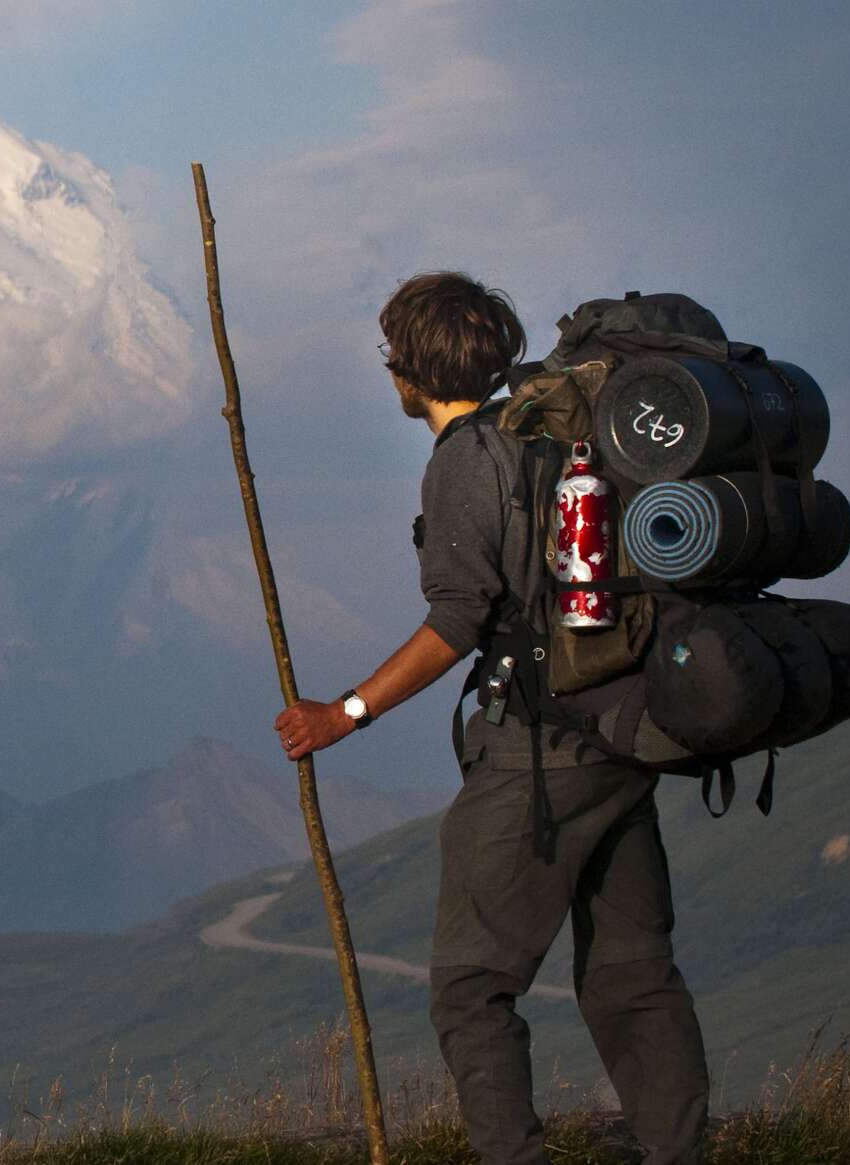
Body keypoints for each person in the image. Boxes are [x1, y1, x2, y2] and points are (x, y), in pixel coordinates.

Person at [270, 271, 710, 1164]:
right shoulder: (559, 430)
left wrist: (344, 713)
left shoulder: (468, 459)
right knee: (633, 973)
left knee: (471, 987)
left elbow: (457, 621)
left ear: (408, 372)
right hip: (623, 730)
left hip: (540, 755)